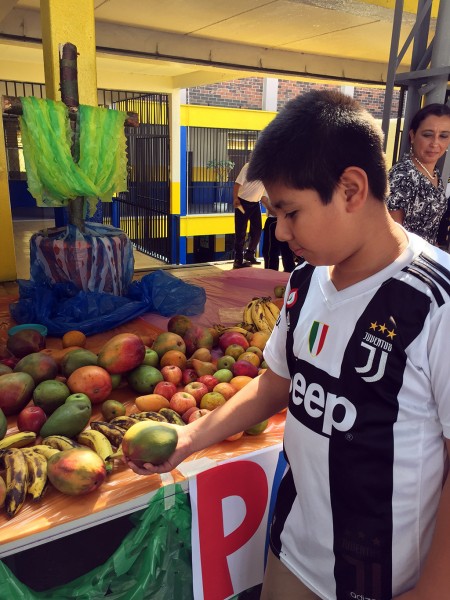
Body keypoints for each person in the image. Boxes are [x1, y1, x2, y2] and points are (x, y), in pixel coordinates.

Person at [126, 90, 450, 600]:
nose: (278, 230)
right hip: (293, 548)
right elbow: (276, 383)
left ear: (350, 189)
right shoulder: (303, 283)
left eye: (290, 212)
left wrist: (434, 590)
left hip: (387, 580)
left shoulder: (436, 303)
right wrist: (190, 439)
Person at [386, 102, 450, 245]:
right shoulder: (402, 176)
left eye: (443, 136)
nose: (435, 143)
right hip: (406, 263)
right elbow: (392, 239)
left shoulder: (434, 173)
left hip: (427, 258)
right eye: (428, 135)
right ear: (413, 135)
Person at [232, 162, 268, 268]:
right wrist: (235, 198)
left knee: (257, 230)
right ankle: (238, 260)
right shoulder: (248, 167)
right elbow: (237, 184)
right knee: (240, 232)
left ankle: (249, 254)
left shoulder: (268, 170)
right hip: (242, 202)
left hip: (255, 203)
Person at [261, 196, 296, 271]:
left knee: (271, 250)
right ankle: (289, 271)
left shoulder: (272, 187)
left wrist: (267, 205)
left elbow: (273, 211)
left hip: (275, 219)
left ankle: (271, 272)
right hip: (285, 219)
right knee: (286, 249)